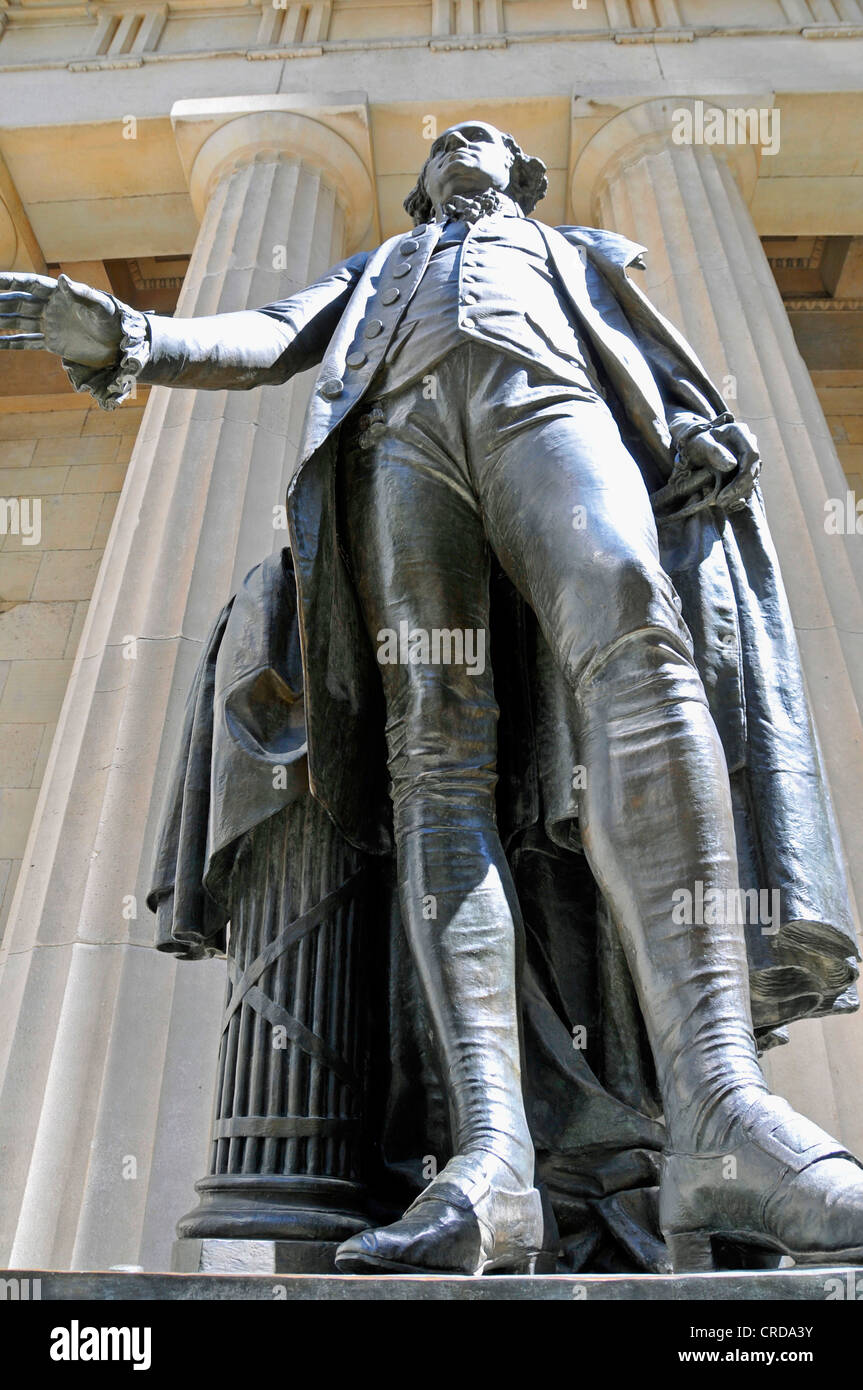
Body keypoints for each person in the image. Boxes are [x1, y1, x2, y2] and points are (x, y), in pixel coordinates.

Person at [2, 120, 862, 1278]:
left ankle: (716, 1100)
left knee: (635, 635)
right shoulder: (377, 272)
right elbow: (267, 337)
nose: (466, 140)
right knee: (432, 763)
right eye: (449, 142)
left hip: (542, 405)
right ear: (419, 189)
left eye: (490, 139)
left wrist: (693, 429)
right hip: (400, 449)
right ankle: (491, 1155)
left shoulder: (572, 256)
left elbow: (656, 375)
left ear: (524, 178)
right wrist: (139, 337)